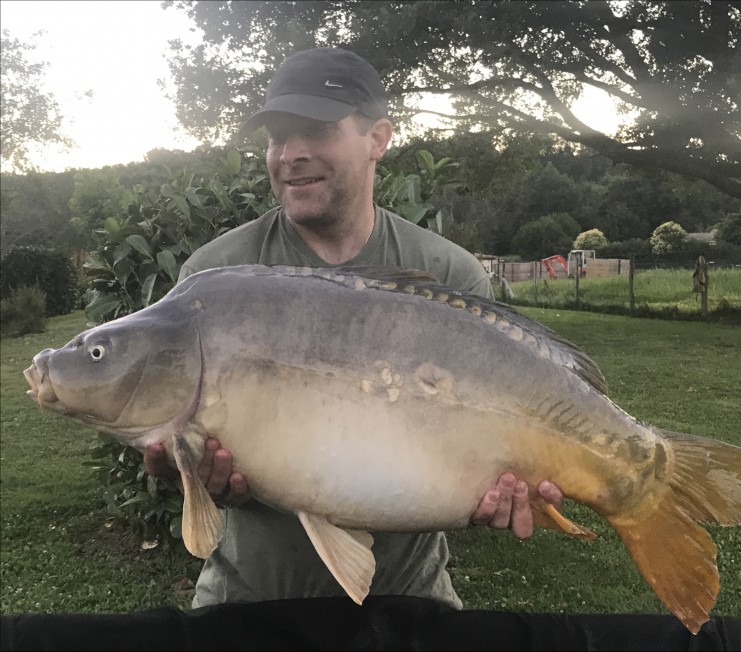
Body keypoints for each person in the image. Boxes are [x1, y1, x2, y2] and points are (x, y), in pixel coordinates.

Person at [144, 47, 564, 610]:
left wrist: (505, 488)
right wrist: (185, 472)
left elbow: (489, 438)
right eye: (277, 137)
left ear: (378, 138)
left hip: (411, 599)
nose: (290, 154)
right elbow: (188, 444)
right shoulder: (215, 276)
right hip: (247, 603)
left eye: (316, 130)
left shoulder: (448, 275)